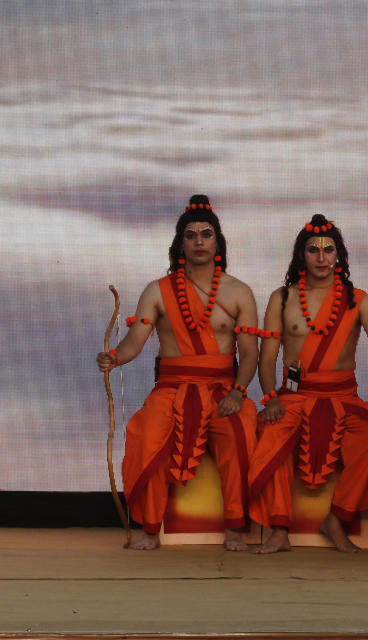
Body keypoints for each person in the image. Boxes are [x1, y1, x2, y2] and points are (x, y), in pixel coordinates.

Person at [95, 194, 259, 551]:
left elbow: (249, 353)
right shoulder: (157, 290)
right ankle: (151, 530)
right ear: (180, 244)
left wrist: (238, 393)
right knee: (146, 435)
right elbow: (135, 341)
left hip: (222, 390)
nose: (199, 240)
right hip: (171, 388)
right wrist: (114, 357)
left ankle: (235, 528)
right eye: (191, 235)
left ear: (217, 241)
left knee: (241, 433)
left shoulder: (239, 292)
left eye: (206, 233)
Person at [249, 215, 368, 554]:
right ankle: (279, 529)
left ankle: (337, 519)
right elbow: (266, 361)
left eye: (328, 250)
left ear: (339, 255)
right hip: (295, 397)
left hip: (343, 397)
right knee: (271, 433)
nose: (321, 258)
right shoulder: (281, 299)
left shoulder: (359, 299)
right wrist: (270, 399)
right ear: (301, 256)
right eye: (313, 250)